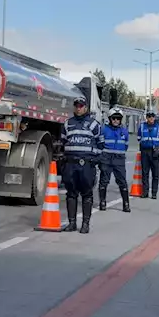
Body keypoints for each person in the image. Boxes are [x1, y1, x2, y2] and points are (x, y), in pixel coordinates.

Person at [60, 96, 103, 232]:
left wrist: (94, 158)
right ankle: (72, 223)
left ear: (86, 108)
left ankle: (85, 224)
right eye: (76, 106)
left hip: (86, 165)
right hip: (71, 164)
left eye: (81, 106)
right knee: (71, 194)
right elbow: (62, 143)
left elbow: (101, 145)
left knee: (86, 194)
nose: (78, 109)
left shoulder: (94, 124)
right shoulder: (67, 124)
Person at [98, 108, 131, 212]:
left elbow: (125, 146)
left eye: (118, 118)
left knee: (122, 182)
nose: (116, 120)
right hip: (106, 159)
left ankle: (126, 204)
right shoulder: (104, 129)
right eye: (114, 118)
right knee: (104, 181)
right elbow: (100, 144)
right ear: (110, 119)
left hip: (119, 160)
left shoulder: (124, 131)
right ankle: (102, 202)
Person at [137, 112, 159, 199]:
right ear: (147, 118)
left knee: (155, 174)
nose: (151, 118)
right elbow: (138, 137)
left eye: (152, 117)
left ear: (154, 118)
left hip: (154, 151)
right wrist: (144, 143)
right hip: (145, 151)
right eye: (149, 117)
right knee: (145, 173)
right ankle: (145, 192)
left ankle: (154, 193)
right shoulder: (142, 126)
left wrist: (158, 145)